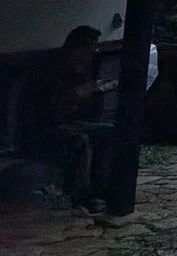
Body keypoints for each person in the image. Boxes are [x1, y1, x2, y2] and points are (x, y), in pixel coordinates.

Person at [30, 26, 116, 211]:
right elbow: (45, 106)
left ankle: (104, 189)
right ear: (77, 47)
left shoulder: (82, 68)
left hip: (73, 122)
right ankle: (81, 196)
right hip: (49, 126)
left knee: (109, 131)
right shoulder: (53, 68)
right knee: (81, 141)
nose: (91, 52)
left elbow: (87, 108)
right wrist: (76, 94)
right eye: (89, 47)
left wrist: (95, 92)